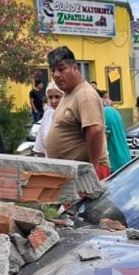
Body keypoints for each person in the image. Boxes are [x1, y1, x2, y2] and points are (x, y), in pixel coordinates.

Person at [44, 46, 109, 178]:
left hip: (86, 173)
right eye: (53, 70)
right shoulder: (69, 93)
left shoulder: (84, 95)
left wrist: (91, 169)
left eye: (61, 69)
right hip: (73, 171)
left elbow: (95, 130)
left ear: (75, 68)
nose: (56, 75)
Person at [99, 88, 132, 170]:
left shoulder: (102, 113)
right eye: (106, 97)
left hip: (114, 162)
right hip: (125, 158)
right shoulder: (114, 111)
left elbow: (102, 137)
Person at [31, 82, 63, 157]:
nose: (53, 101)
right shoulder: (47, 115)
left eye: (57, 97)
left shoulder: (72, 115)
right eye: (50, 97)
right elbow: (40, 148)